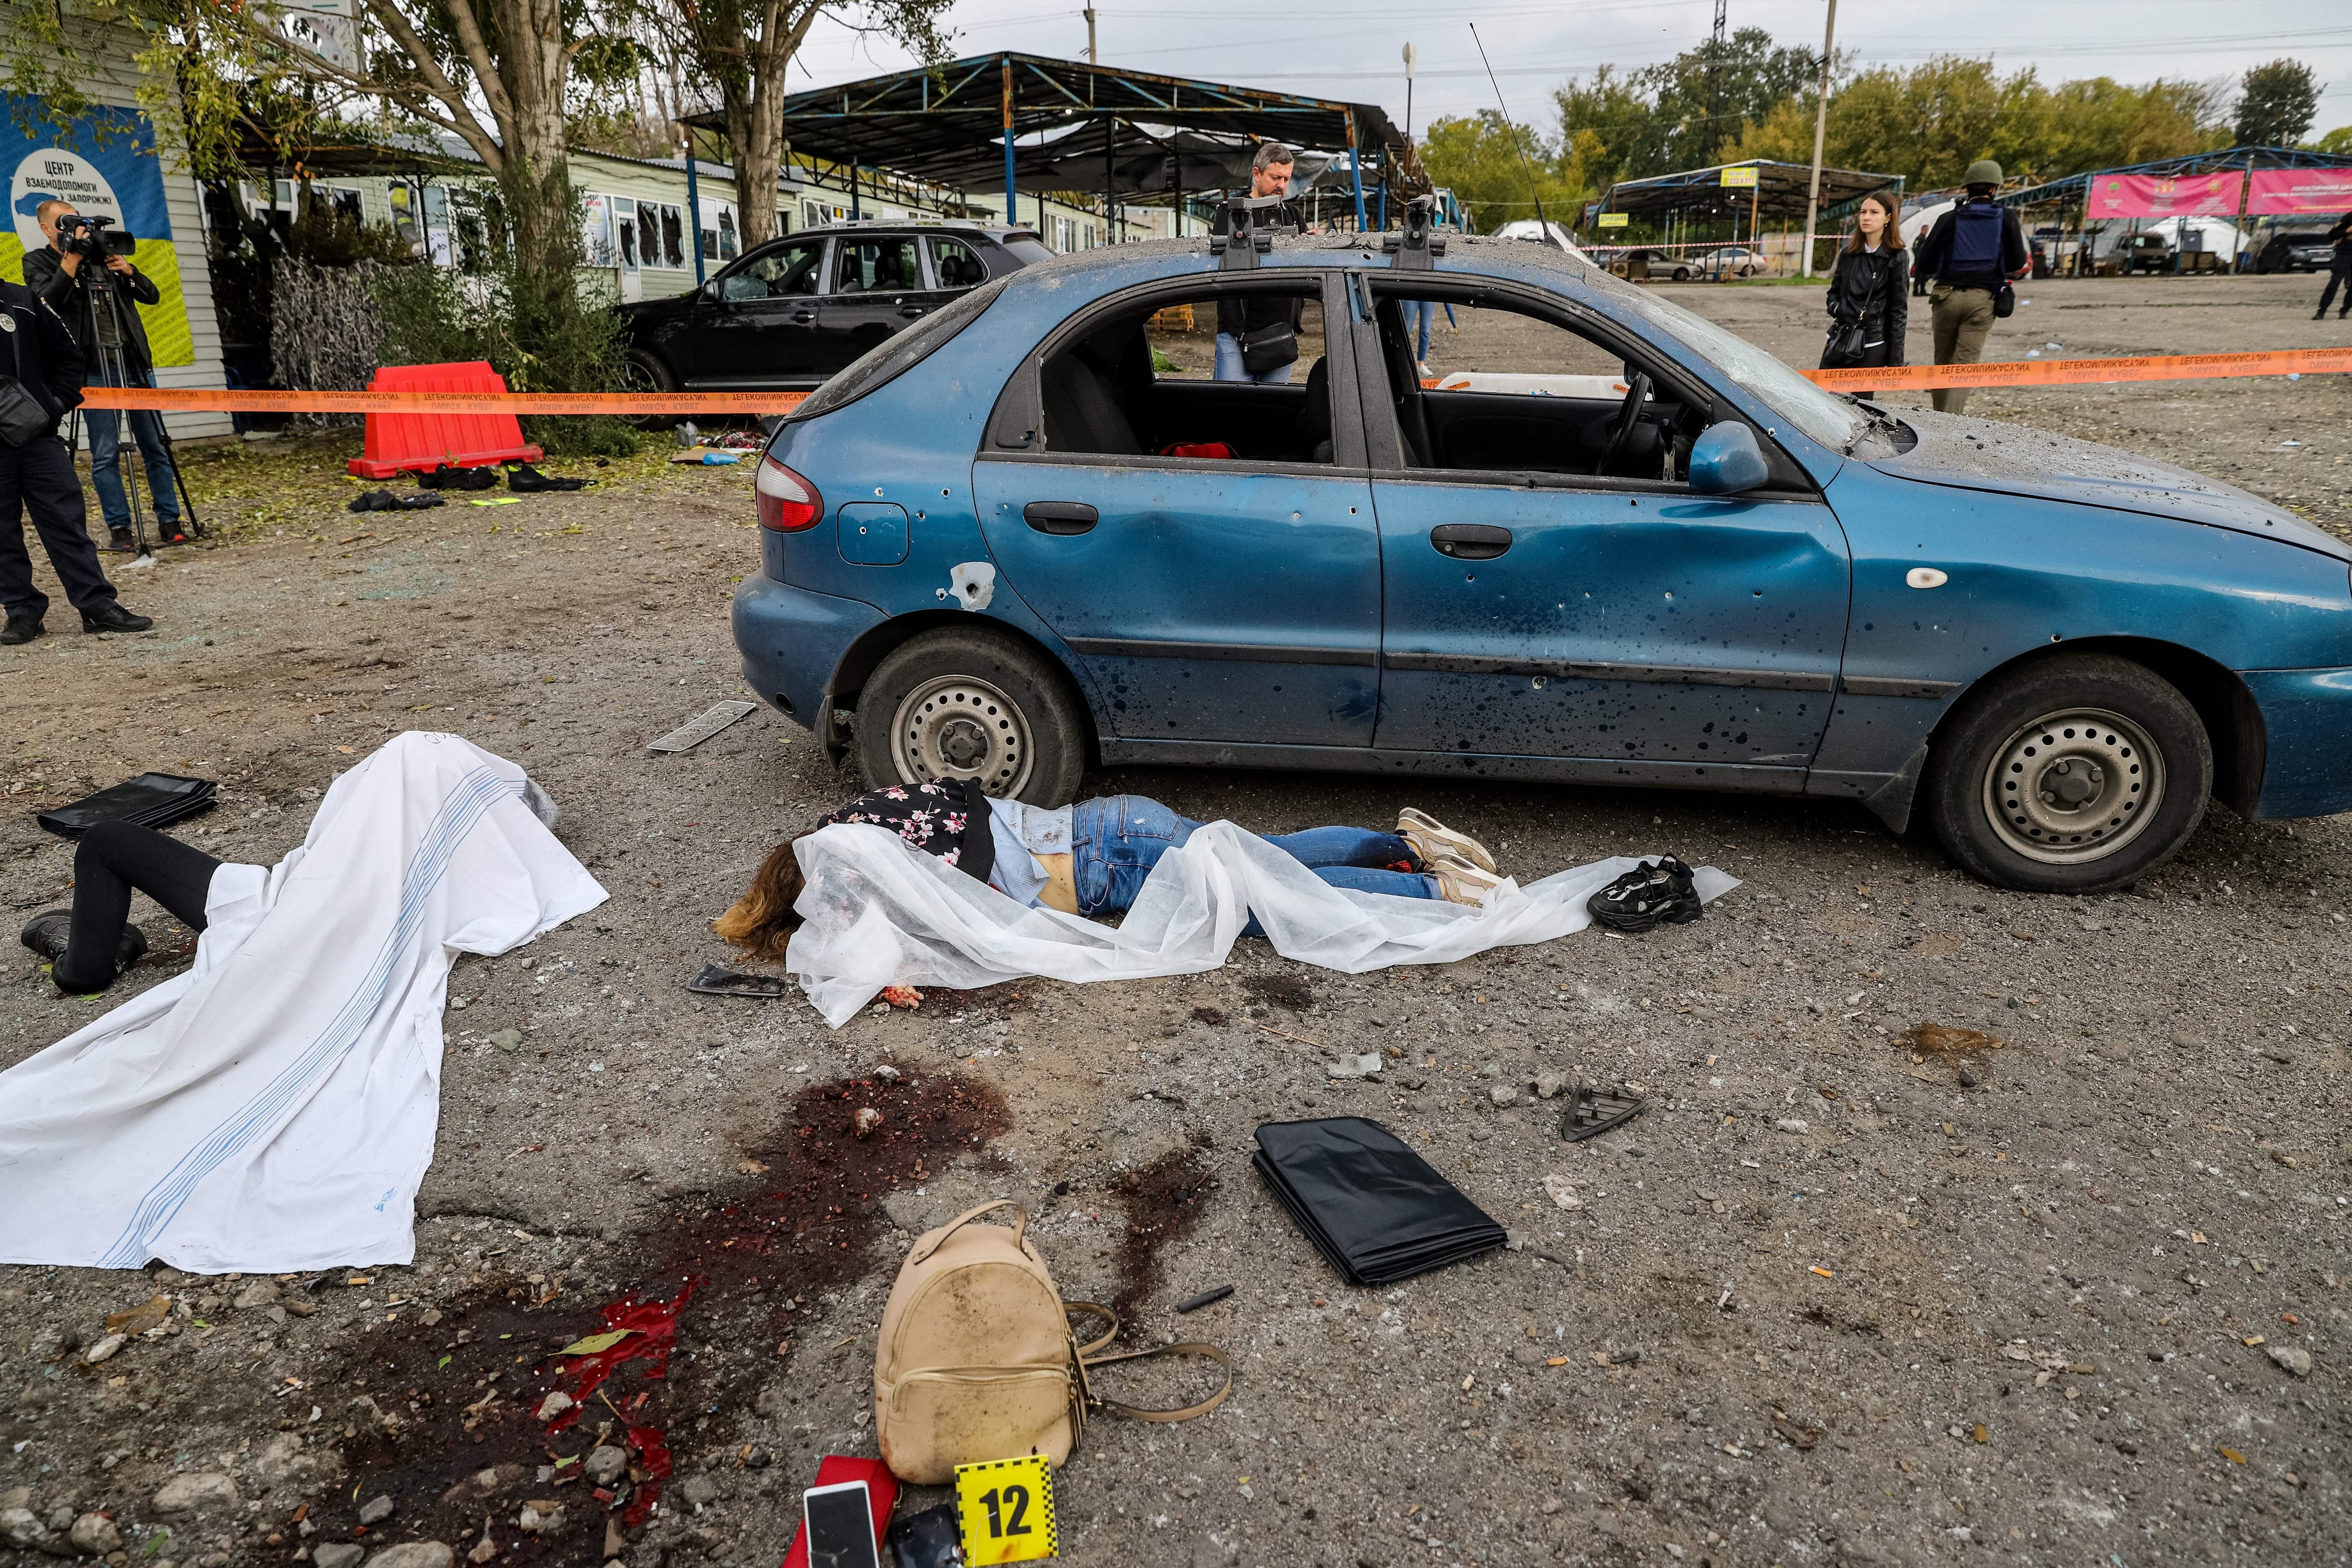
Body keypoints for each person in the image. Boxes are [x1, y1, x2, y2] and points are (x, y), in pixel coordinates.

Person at [713, 780, 1503, 959]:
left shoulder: (861, 870)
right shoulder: (872, 814)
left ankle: (1434, 888)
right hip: (1113, 820)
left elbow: (925, 930)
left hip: (1111, 863)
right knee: (1269, 852)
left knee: (1270, 897)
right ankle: (1402, 842)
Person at [0, 275, 152, 645]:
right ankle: (22, 611)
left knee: (66, 524)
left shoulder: (23, 300)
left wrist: (52, 406)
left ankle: (97, 606)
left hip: (38, 438)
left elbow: (70, 359)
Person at [23, 199, 183, 550]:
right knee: (106, 451)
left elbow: (152, 296)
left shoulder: (104, 258)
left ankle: (170, 519)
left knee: (155, 445)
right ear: (47, 228)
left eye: (78, 222)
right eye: (66, 223)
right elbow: (45, 305)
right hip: (91, 368)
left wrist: (128, 272)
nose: (75, 230)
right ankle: (120, 528)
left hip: (133, 363)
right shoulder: (37, 261)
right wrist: (70, 263)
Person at [1910, 160, 2027, 415]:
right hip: (1983, 301)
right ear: (1995, 188)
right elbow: (2019, 262)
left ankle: (1941, 419)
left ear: (1966, 189)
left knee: (1943, 363)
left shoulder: (1948, 219)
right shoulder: (2007, 217)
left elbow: (1924, 262)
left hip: (1946, 298)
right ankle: (1950, 424)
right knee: (1964, 367)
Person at [1211, 143, 1306, 383]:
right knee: (1231, 408)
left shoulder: (1294, 215)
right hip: (1236, 333)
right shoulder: (1231, 213)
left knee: (1271, 413)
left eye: (1286, 178)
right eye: (1275, 178)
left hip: (1280, 334)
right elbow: (1222, 263)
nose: (1282, 186)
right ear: (1257, 174)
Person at [1819, 191, 1907, 400]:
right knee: (1821, 397)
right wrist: (1839, 309)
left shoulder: (1896, 257)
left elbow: (1899, 310)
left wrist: (1895, 361)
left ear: (1888, 218)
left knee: (1862, 405)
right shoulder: (1848, 254)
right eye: (1863, 212)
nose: (1866, 217)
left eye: (1874, 212)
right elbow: (1833, 293)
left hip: (1873, 343)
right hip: (1840, 336)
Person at [2318, 212, 2352, 321]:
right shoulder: (2349, 217)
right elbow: (2332, 234)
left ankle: (2345, 310)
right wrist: (2347, 231)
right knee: (2335, 282)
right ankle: (2322, 310)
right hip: (2346, 252)